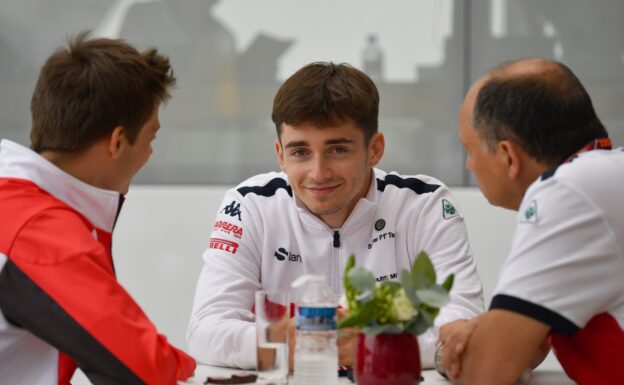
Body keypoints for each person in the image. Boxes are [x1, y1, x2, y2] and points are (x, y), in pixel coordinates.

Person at [187, 62, 484, 370]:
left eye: (338, 150)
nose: (318, 173)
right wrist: (297, 340)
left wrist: (368, 347)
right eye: (300, 152)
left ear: (375, 149)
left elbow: (465, 326)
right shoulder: (250, 205)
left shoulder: (425, 204)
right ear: (280, 155)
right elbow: (206, 330)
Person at [0, 33, 196, 384]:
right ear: (117, 142)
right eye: (151, 138)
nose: (151, 153)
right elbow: (142, 368)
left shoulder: (13, 197)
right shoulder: (37, 230)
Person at [439, 58, 624, 385]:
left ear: (508, 156)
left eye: (469, 150)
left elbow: (487, 368)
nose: (469, 165)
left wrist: (452, 347)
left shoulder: (568, 192)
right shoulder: (603, 176)